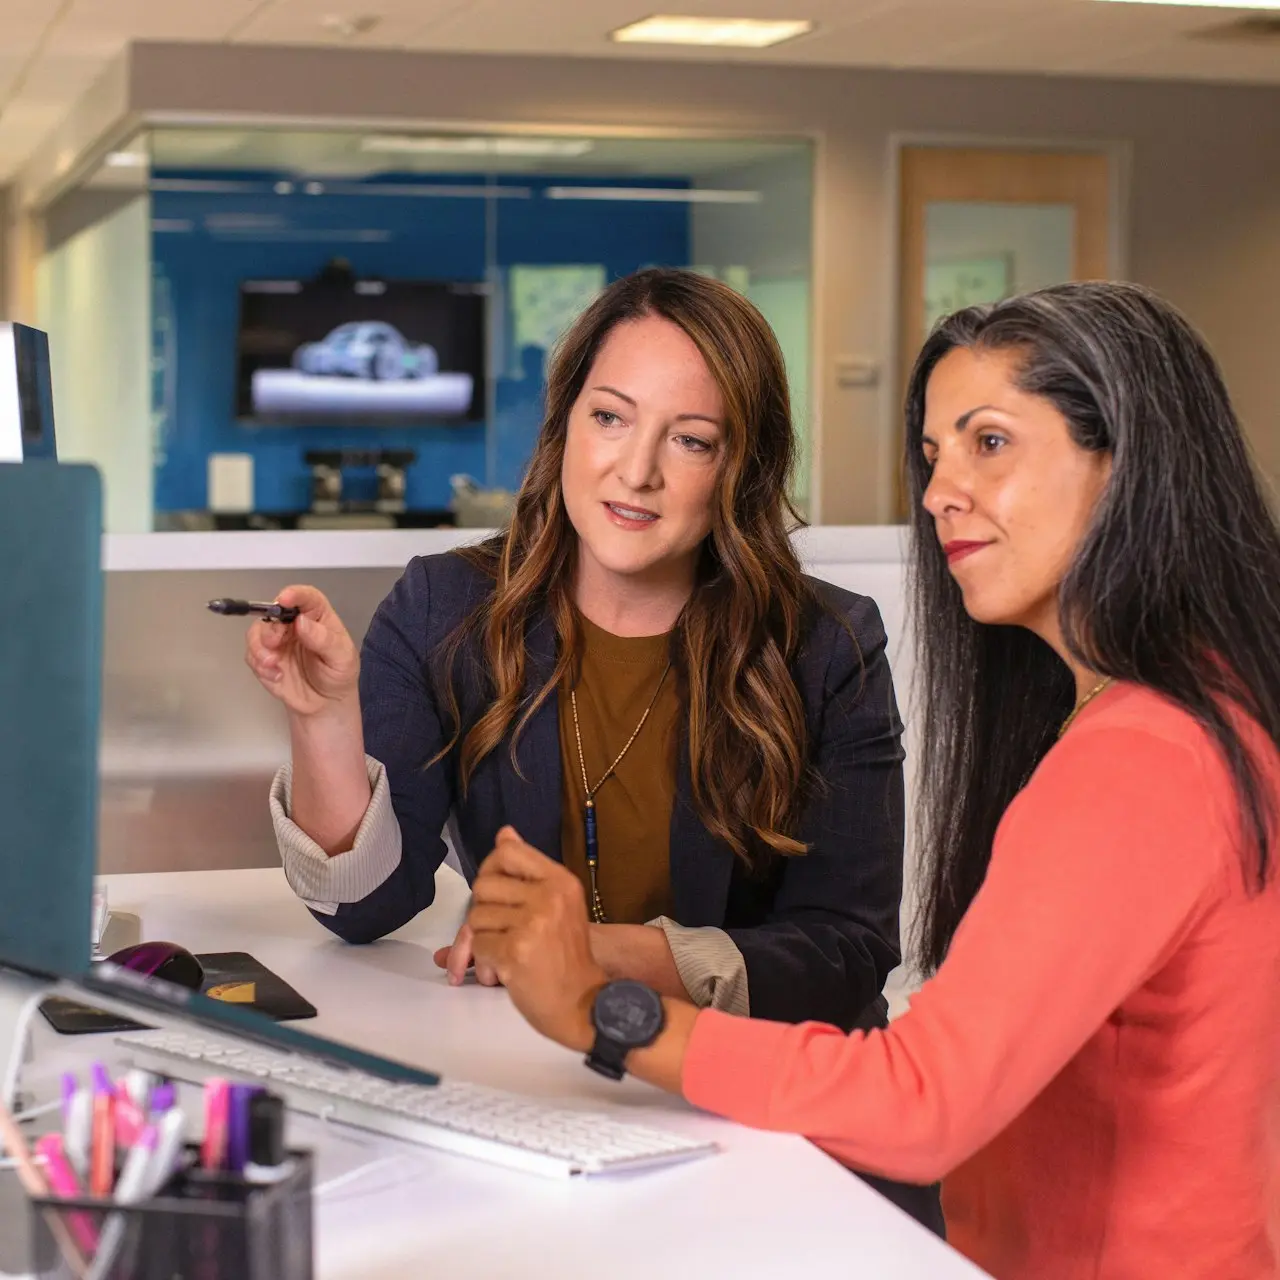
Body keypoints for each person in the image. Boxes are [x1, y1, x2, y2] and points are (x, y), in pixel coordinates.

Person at [464, 281, 1280, 1279]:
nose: (938, 491)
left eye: (988, 442)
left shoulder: (1143, 756)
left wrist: (600, 1009)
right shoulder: (1198, 706)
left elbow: (919, 1101)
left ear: (1126, 465)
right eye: (933, 455)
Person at [246, 267, 941, 1230]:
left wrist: (600, 960)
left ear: (740, 467)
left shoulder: (827, 643)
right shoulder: (446, 609)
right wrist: (324, 717)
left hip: (766, 1121)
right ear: (566, 423)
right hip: (547, 1103)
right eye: (611, 418)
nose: (636, 471)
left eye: (690, 440)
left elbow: (848, 950)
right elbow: (368, 907)